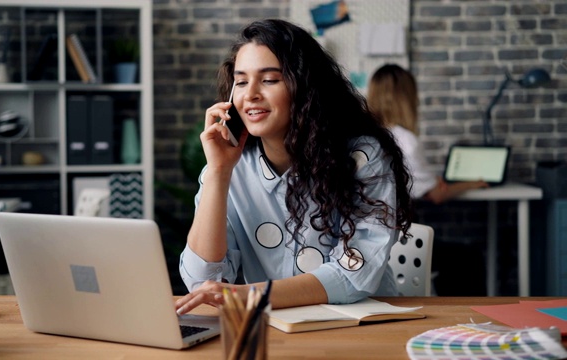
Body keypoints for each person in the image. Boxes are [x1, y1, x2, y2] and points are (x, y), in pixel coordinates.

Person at [175, 19, 413, 315]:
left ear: (305, 88)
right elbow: (202, 280)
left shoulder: (361, 156)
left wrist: (248, 295)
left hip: (364, 323)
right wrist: (218, 173)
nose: (250, 94)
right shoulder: (228, 166)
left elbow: (355, 273)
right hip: (276, 327)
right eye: (241, 81)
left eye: (270, 79)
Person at [367, 64, 488, 205]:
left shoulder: (363, 136)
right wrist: (470, 184)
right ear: (407, 99)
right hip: (393, 225)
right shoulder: (406, 141)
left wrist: (431, 182)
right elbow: (437, 195)